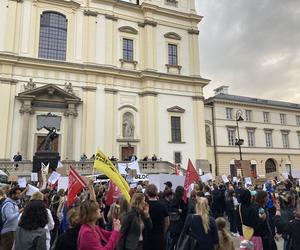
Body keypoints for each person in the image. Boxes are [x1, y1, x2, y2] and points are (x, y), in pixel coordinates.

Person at [144, 184, 169, 250]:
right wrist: (164, 232)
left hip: (147, 236)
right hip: (160, 236)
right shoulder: (162, 205)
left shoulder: (144, 205)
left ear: (147, 193)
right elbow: (167, 222)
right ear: (156, 192)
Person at [168, 186, 187, 250]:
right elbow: (171, 208)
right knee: (175, 238)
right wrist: (178, 210)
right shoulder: (176, 198)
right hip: (176, 221)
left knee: (176, 238)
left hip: (177, 221)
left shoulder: (178, 197)